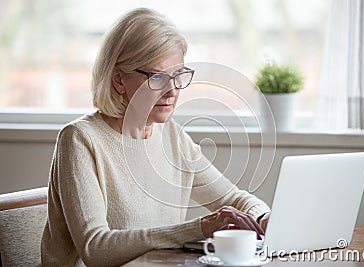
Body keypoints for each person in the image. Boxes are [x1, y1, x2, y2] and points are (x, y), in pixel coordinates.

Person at [41, 7, 270, 266]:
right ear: (118, 79)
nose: (173, 91)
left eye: (179, 75)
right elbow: (96, 249)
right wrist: (200, 228)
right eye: (159, 77)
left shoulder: (172, 136)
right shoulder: (80, 139)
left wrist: (263, 219)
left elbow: (235, 200)